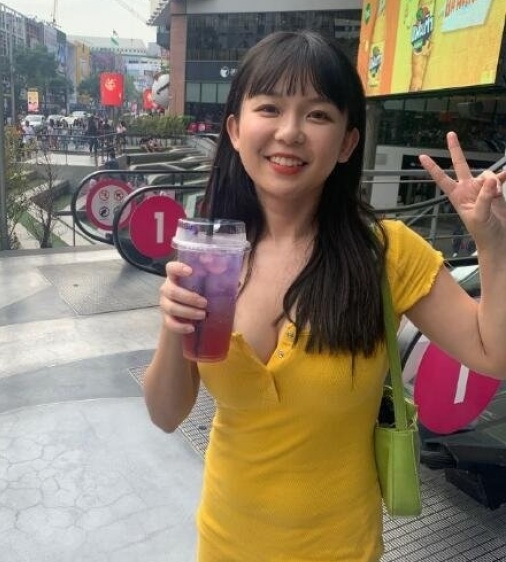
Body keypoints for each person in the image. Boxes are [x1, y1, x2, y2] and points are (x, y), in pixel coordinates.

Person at [142, 30, 506, 562]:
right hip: (224, 542)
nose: (290, 132)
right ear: (236, 130)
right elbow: (165, 414)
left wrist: (494, 244)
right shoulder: (211, 255)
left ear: (347, 144)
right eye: (270, 108)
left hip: (342, 550)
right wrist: (173, 324)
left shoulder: (386, 253)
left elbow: (492, 352)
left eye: (317, 114)